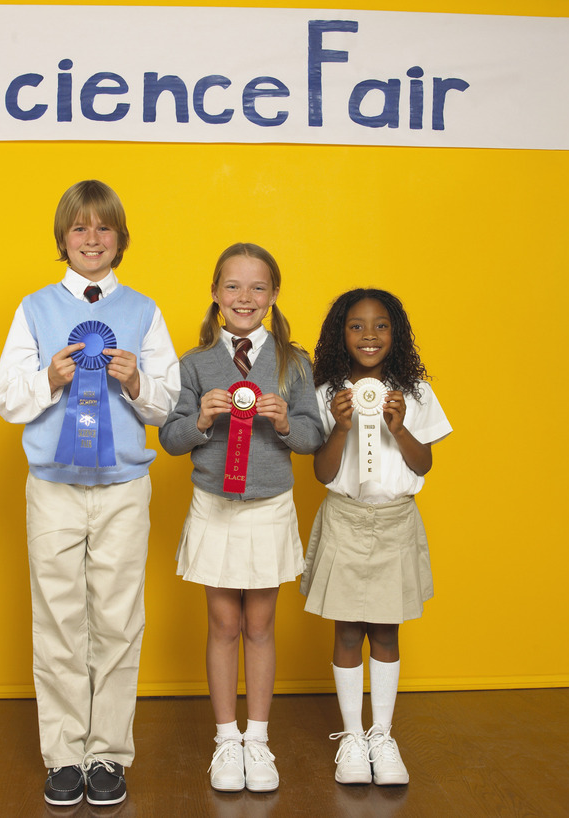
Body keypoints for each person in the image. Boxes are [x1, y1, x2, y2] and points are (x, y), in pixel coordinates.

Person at [0, 180, 180, 807]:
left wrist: (136, 381)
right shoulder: (34, 309)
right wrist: (48, 377)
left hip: (125, 486)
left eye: (104, 229)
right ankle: (64, 754)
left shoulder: (145, 311)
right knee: (59, 619)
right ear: (62, 241)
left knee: (119, 618)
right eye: (80, 229)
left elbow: (169, 402)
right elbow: (4, 397)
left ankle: (108, 756)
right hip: (52, 487)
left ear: (120, 240)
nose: (92, 239)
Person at [159, 243, 323, 793]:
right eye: (233, 286)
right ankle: (226, 739)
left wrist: (283, 425)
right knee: (224, 624)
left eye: (257, 288)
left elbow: (314, 437)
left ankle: (258, 739)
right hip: (214, 505)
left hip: (270, 506)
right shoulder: (195, 363)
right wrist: (202, 418)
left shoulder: (295, 362)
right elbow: (171, 440)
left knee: (260, 625)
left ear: (273, 296)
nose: (244, 298)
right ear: (215, 293)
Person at [301, 288, 452, 786]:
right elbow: (323, 473)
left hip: (394, 523)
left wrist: (401, 427)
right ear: (340, 334)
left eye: (381, 325)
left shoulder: (416, 393)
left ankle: (382, 737)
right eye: (357, 326)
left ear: (397, 333)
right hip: (345, 518)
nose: (369, 335)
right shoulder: (326, 394)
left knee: (386, 630)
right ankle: (351, 738)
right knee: (346, 630)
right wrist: (341, 428)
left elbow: (423, 462)